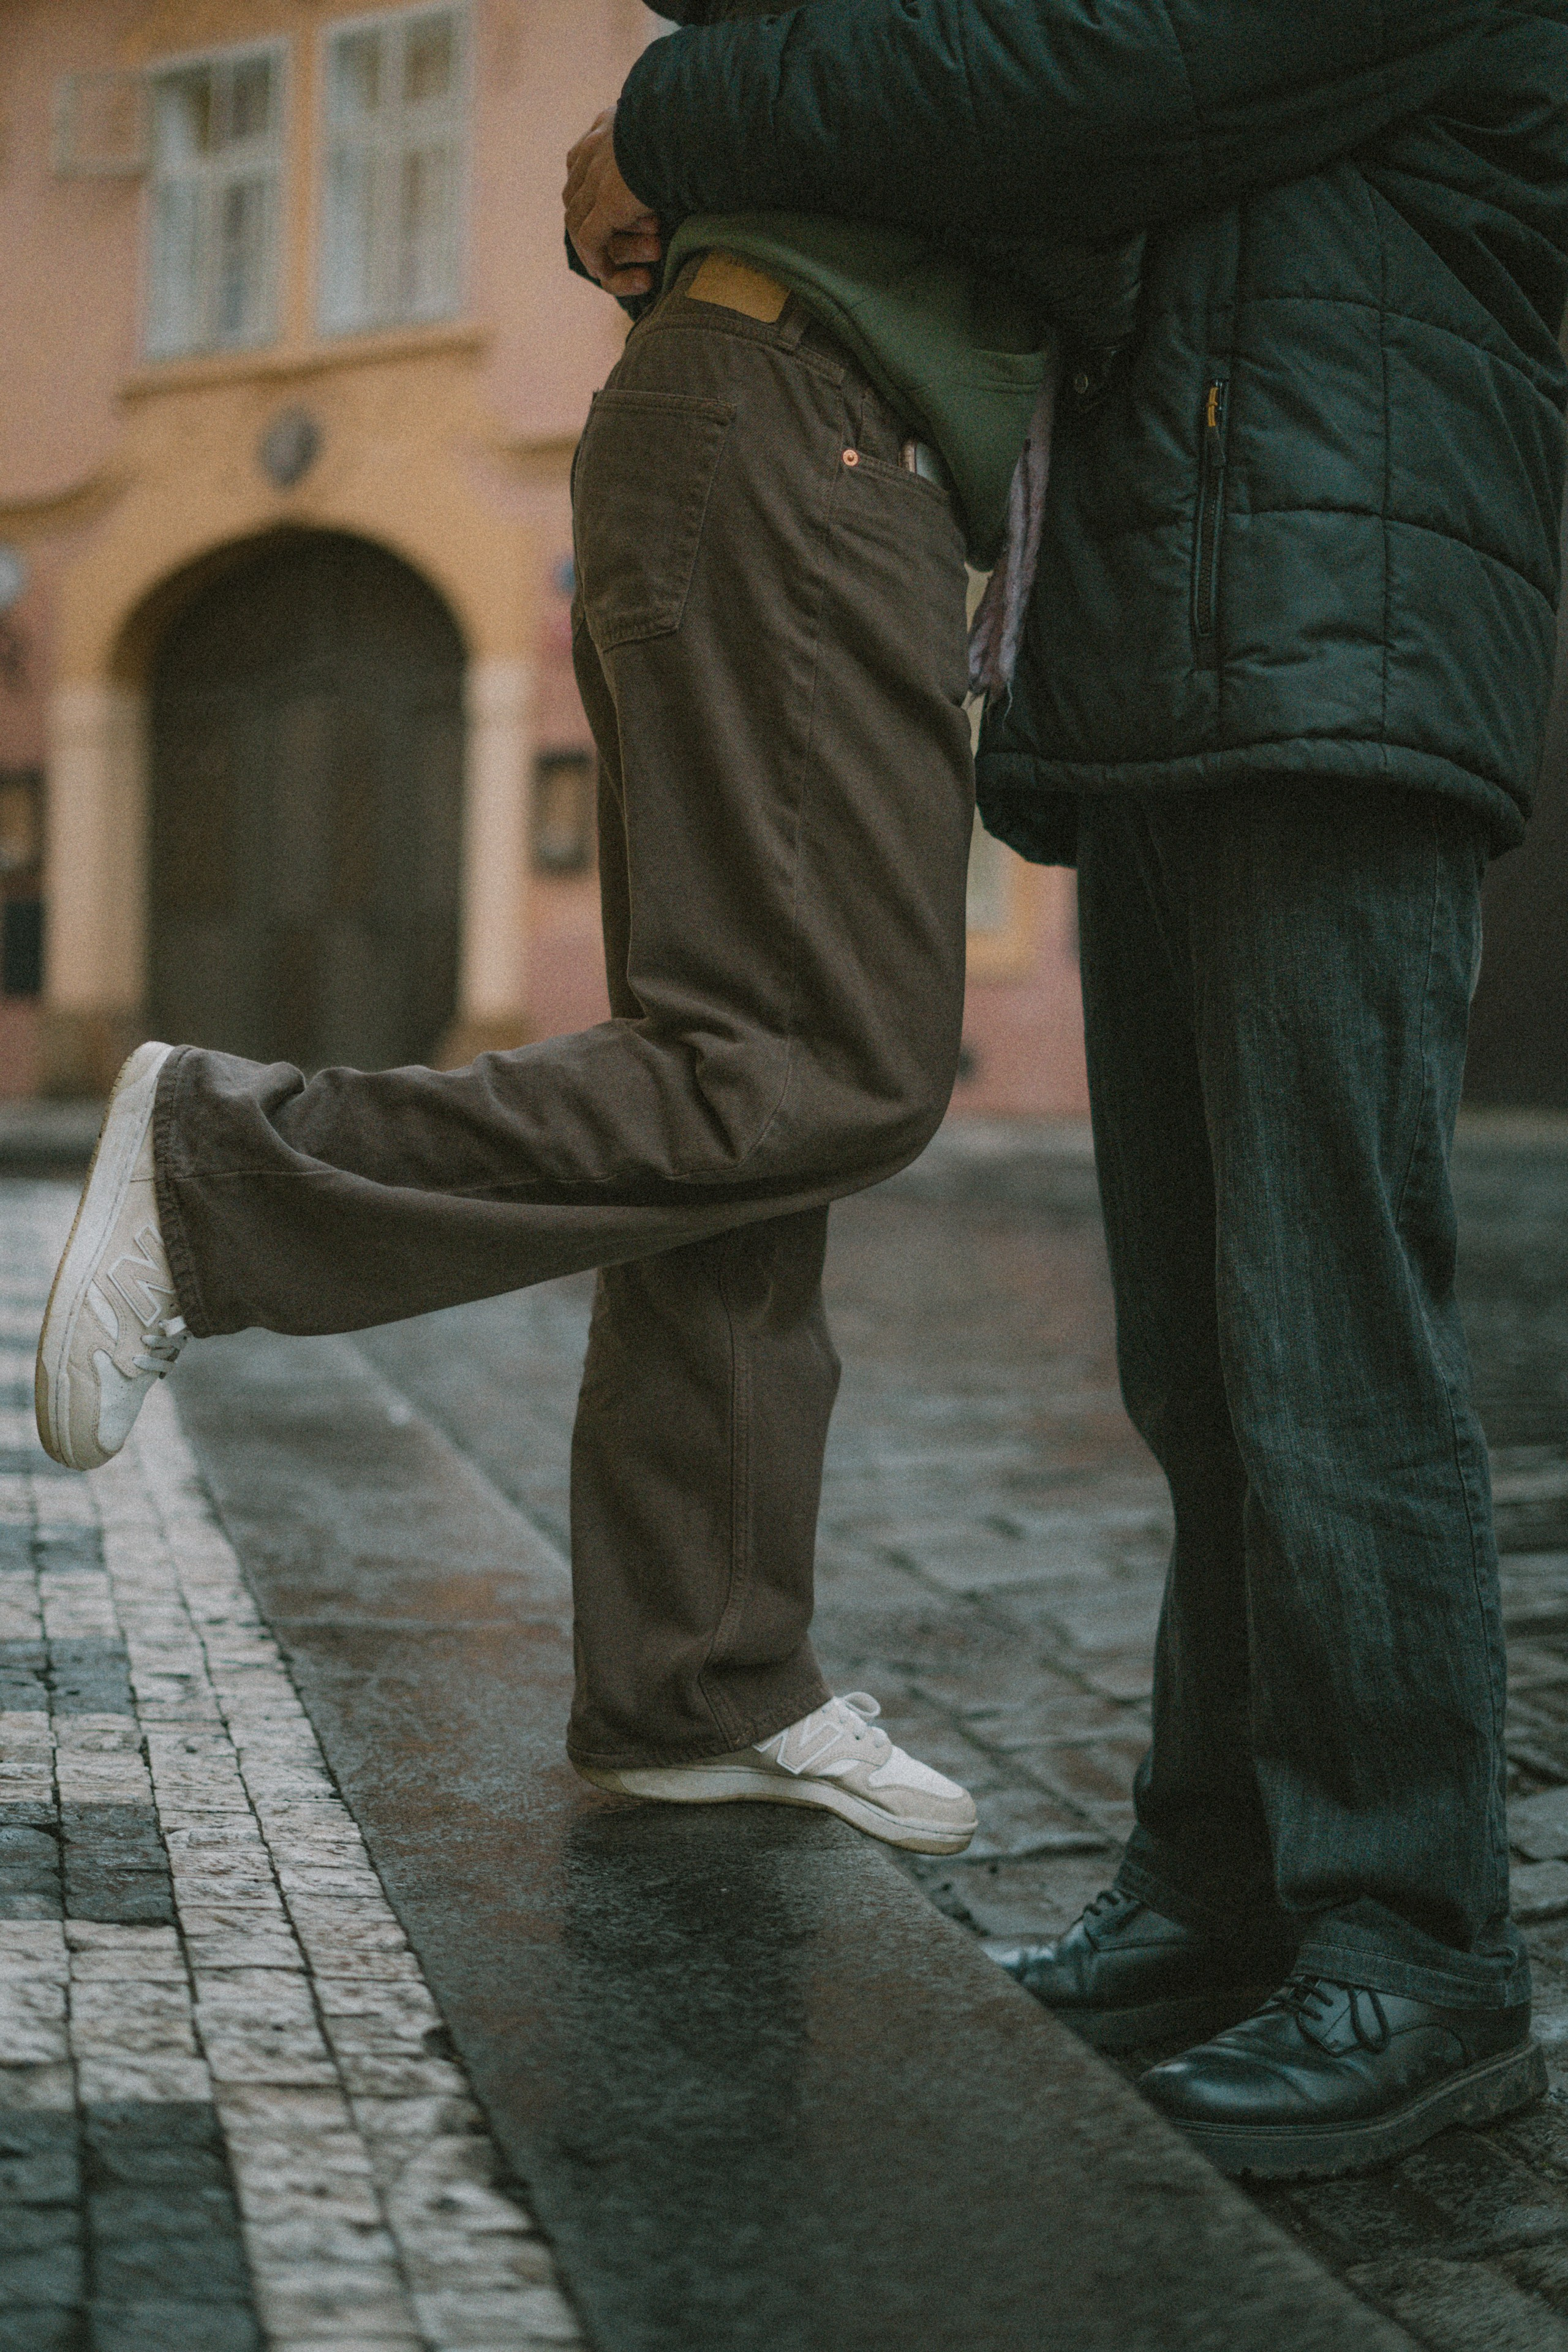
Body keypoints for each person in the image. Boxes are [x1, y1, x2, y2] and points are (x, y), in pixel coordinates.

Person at [564, 0, 1568, 2180]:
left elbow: (1076, 81)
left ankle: (1420, 1947)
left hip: (1339, 620)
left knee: (1330, 1348)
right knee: (1205, 1363)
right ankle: (1221, 1891)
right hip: (1188, 634)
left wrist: (671, 112)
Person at [32, 4, 1143, 1869]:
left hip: (783, 424)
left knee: (737, 1080)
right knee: (819, 1064)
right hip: (806, 429)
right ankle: (220, 1167)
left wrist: (674, 140)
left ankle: (699, 1683)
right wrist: (677, 124)